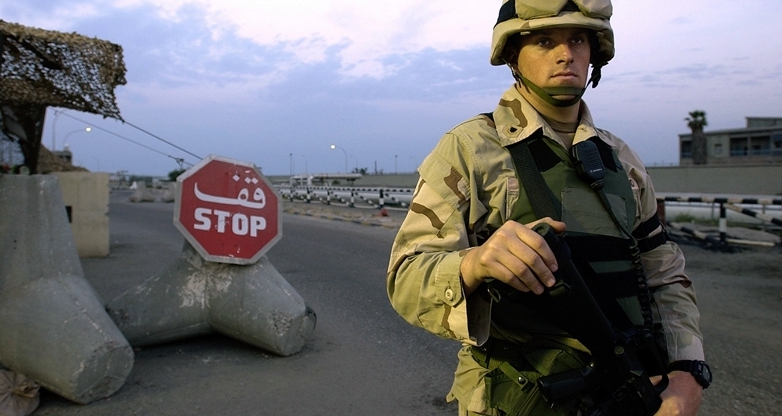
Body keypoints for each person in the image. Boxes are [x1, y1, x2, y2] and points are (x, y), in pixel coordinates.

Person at [386, 1, 709, 415]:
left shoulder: (620, 159)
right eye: (543, 41)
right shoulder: (471, 149)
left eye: (578, 39)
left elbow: (663, 273)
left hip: (625, 392)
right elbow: (405, 278)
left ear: (595, 53)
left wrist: (686, 370)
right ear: (512, 57)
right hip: (517, 399)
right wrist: (475, 263)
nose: (565, 54)